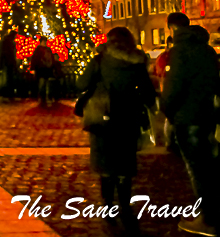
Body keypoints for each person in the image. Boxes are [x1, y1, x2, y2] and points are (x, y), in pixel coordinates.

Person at [76, 27, 156, 233]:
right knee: (125, 165)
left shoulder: (100, 60)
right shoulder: (136, 62)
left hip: (103, 119)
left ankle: (108, 206)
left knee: (105, 165)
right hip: (128, 118)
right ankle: (125, 207)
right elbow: (147, 92)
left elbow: (81, 83)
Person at [162, 12, 220, 236]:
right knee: (210, 166)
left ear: (172, 29)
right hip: (206, 115)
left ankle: (208, 219)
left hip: (187, 117)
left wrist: (168, 110)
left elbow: (173, 86)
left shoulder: (180, 52)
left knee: (197, 169)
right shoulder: (207, 51)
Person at [30, 37, 55, 105]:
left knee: (43, 84)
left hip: (43, 69)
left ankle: (43, 98)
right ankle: (43, 97)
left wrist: (33, 68)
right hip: (44, 69)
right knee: (43, 84)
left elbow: (34, 59)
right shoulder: (45, 50)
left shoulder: (40, 50)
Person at [0, 31, 18, 98]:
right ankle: (8, 94)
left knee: (8, 79)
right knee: (9, 79)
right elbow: (7, 54)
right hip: (8, 63)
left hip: (7, 63)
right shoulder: (8, 42)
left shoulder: (6, 41)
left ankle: (8, 94)